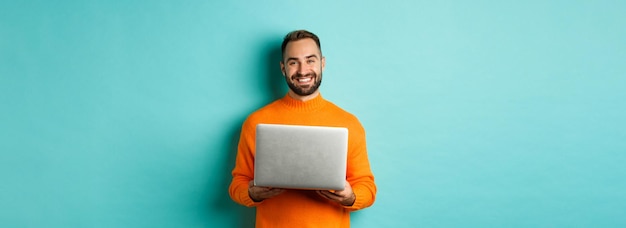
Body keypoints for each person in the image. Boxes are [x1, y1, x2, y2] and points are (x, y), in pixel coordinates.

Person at [228, 29, 377, 227]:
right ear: (283, 68)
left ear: (322, 63)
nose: (302, 70)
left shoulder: (349, 123)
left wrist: (350, 197)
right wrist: (251, 193)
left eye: (310, 60)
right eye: (293, 62)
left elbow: (367, 188)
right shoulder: (256, 122)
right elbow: (237, 184)